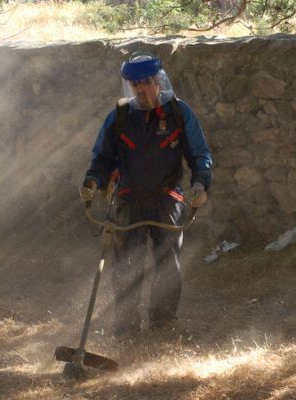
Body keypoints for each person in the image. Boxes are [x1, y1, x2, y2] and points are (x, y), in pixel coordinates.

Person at [79, 52, 212, 336]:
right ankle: (126, 330)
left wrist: (200, 184)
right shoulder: (121, 116)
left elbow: (199, 154)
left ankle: (163, 324)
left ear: (158, 81)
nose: (141, 89)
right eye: (135, 84)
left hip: (167, 198)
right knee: (127, 266)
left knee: (168, 266)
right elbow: (102, 158)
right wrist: (93, 181)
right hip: (128, 200)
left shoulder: (179, 113)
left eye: (146, 82)